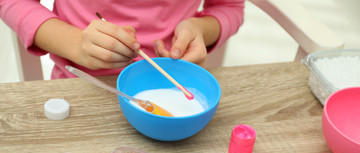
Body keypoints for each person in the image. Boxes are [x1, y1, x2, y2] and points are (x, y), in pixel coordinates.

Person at [0, 1, 245, 79]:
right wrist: (74, 43)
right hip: (78, 87)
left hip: (174, 86)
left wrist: (200, 28)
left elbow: (229, 6)